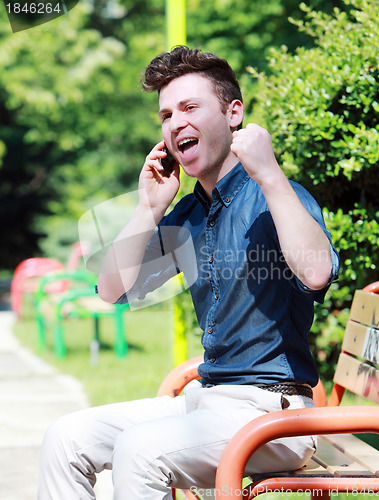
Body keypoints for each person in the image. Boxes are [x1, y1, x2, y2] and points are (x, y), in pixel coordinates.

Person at [38, 46, 339, 500]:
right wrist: (148, 208)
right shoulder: (188, 216)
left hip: (275, 414)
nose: (175, 122)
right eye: (165, 115)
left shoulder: (278, 195)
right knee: (64, 439)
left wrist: (271, 174)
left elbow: (317, 273)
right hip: (205, 401)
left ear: (233, 113)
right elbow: (110, 289)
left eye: (190, 107)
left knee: (140, 450)